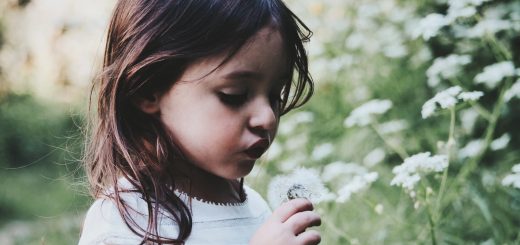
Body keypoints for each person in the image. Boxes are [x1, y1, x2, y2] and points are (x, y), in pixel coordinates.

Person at [78, 0, 320, 244]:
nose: (267, 117)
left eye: (274, 95)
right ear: (148, 89)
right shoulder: (125, 221)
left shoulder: (255, 206)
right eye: (234, 95)